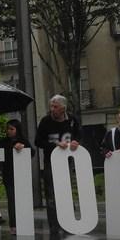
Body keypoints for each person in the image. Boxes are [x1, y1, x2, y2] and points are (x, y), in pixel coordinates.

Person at [35, 94, 81, 231]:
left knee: (66, 192)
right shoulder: (45, 121)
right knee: (51, 194)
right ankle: (54, 225)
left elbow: (79, 135)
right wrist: (55, 145)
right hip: (50, 162)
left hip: (67, 162)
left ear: (63, 108)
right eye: (51, 106)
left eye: (55, 107)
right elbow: (38, 141)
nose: (52, 109)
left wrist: (76, 142)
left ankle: (68, 222)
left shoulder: (72, 120)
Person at [0, 119, 33, 231]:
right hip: (9, 175)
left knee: (22, 200)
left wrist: (22, 147)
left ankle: (24, 222)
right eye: (8, 129)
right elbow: (1, 155)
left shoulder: (23, 140)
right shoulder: (4, 142)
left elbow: (32, 152)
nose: (9, 131)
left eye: (12, 129)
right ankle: (13, 225)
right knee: (11, 200)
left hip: (21, 175)